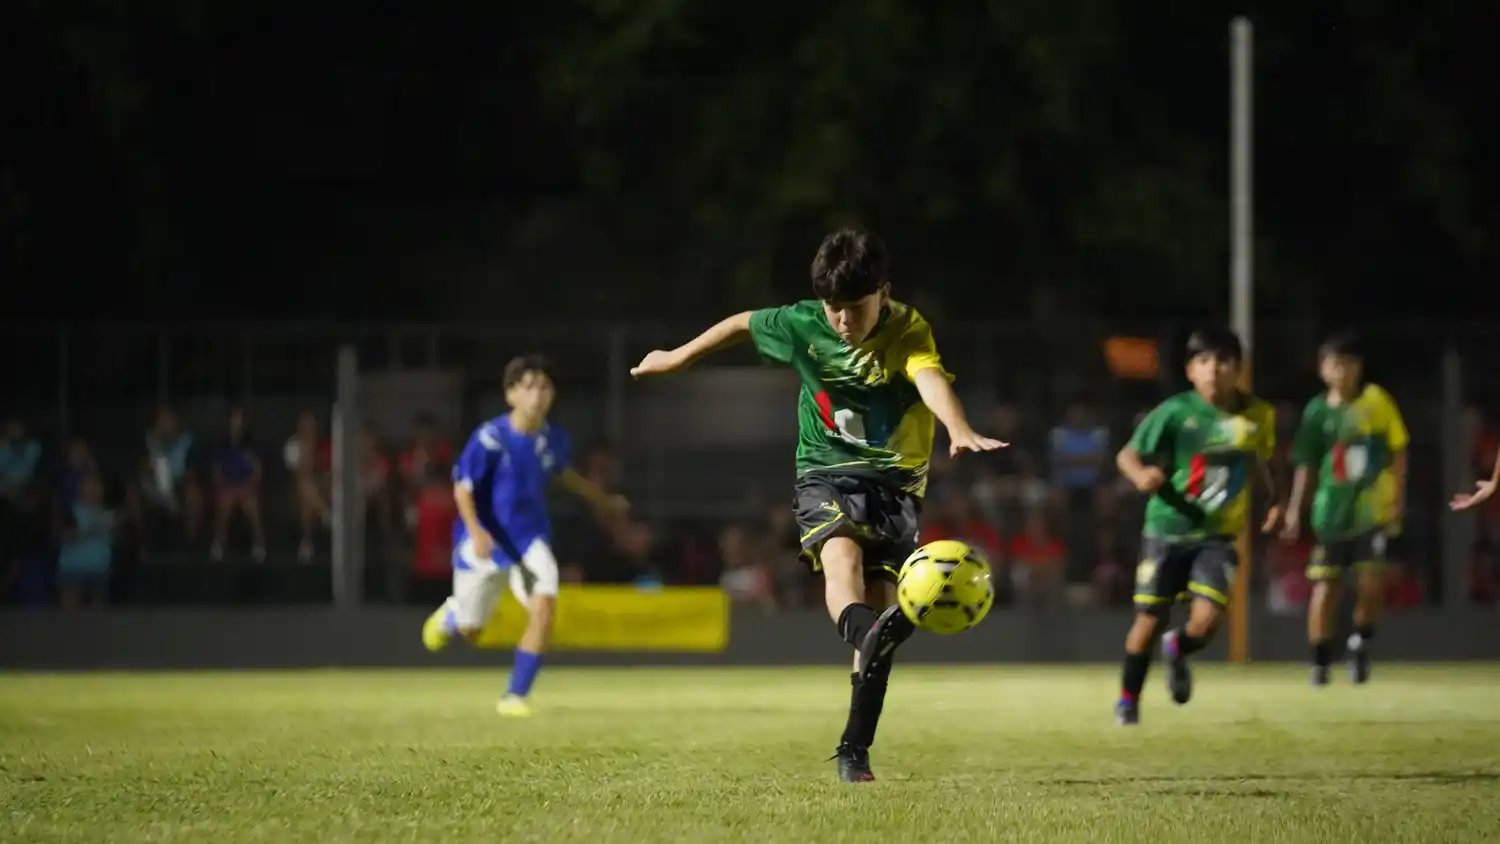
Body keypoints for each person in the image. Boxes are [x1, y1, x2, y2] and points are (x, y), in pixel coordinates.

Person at [629, 227, 1005, 782]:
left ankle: (855, 746)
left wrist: (958, 426)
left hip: (895, 486)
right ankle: (868, 632)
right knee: (841, 559)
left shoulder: (907, 328)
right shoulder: (802, 321)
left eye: (855, 308)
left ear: (884, 292)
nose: (844, 322)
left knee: (877, 611)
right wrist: (679, 357)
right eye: (835, 310)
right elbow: (741, 323)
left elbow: (927, 377)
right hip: (824, 469)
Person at [421, 355, 627, 717]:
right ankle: (454, 614)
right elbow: (462, 489)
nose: (538, 395)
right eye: (529, 386)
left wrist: (604, 501)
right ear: (511, 394)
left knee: (545, 605)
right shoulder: (490, 438)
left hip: (530, 539)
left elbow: (566, 476)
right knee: (472, 630)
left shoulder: (554, 439)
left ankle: (515, 695)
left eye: (544, 387)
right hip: (486, 542)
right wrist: (476, 531)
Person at [1113, 326, 1280, 726]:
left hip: (1217, 536)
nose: (1214, 370)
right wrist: (1140, 477)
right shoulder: (1175, 412)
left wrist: (1274, 501)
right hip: (1167, 529)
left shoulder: (1258, 416)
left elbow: (1260, 464)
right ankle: (1127, 700)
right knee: (1149, 619)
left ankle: (1179, 648)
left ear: (1239, 368)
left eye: (1223, 361)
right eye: (1204, 361)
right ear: (1190, 370)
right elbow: (1127, 455)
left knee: (1206, 622)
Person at [1283, 332, 1408, 686]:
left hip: (1372, 512)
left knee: (1371, 584)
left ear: (1359, 368)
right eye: (1335, 364)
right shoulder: (1317, 412)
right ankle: (1320, 660)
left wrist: (1398, 496)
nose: (1343, 371)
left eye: (1349, 363)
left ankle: (1359, 643)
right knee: (1325, 588)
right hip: (1330, 516)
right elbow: (1305, 464)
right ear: (1323, 370)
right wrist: (1295, 509)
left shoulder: (1376, 401)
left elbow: (1399, 448)